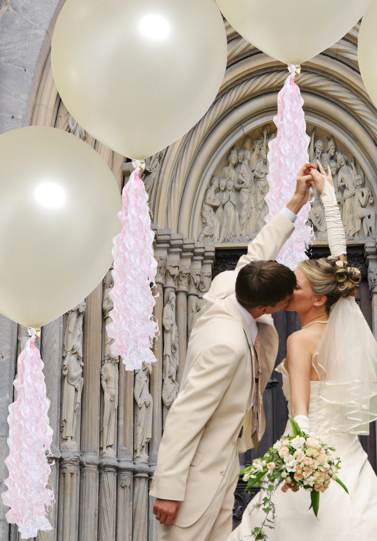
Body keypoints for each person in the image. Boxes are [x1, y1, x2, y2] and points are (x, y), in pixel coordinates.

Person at [229, 162, 377, 540]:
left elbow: (300, 417)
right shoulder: (340, 318)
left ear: (316, 298)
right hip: (348, 455)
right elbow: (340, 259)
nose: (288, 289)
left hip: (313, 457)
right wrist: (327, 196)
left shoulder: (300, 341)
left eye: (296, 285)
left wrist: (300, 466)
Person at [151, 165, 315, 541]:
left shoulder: (230, 285)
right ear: (267, 309)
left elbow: (258, 251)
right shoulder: (225, 346)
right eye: (285, 301)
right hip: (200, 472)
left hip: (228, 456)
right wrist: (169, 489)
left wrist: (295, 203)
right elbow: (186, 414)